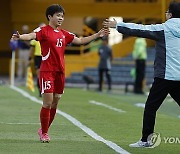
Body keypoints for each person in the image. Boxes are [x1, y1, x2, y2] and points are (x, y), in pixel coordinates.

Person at [11, 4, 109, 143]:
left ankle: (44, 129)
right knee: (48, 103)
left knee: (55, 103)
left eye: (62, 16)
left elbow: (80, 41)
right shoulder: (43, 30)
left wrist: (98, 35)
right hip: (47, 71)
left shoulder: (64, 33)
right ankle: (44, 133)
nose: (61, 18)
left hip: (60, 73)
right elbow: (32, 35)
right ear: (50, 16)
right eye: (58, 15)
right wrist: (21, 37)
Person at [103, 1, 180, 148]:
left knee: (151, 107)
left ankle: (146, 140)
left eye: (167, 12)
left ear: (170, 14)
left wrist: (117, 25)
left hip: (164, 76)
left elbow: (140, 29)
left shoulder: (164, 28)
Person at [29, 23, 46, 97]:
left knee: (46, 75)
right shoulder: (36, 38)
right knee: (39, 75)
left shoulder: (47, 37)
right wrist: (29, 57)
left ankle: (46, 90)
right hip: (38, 57)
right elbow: (31, 49)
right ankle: (40, 91)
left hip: (45, 57)